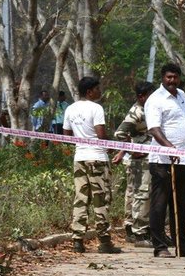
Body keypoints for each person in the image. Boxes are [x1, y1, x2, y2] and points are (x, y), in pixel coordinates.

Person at [145, 62, 185, 258]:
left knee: (181, 203)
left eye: (175, 77)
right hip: (162, 160)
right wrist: (169, 146)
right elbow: (153, 128)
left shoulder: (182, 96)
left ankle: (182, 245)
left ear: (179, 78)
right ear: (162, 78)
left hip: (184, 159)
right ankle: (160, 246)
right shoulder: (155, 100)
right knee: (160, 204)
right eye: (169, 77)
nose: (172, 81)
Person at [63, 76, 121, 255]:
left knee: (81, 198)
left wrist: (82, 145)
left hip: (79, 158)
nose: (100, 92)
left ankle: (77, 240)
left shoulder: (70, 109)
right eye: (97, 89)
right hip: (97, 158)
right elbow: (101, 135)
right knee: (100, 199)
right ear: (89, 91)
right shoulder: (96, 108)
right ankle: (104, 241)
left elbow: (65, 135)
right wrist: (111, 147)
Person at [113, 82, 156, 247]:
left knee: (132, 193)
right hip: (140, 161)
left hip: (140, 159)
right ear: (141, 96)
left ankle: (130, 227)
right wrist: (132, 150)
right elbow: (120, 133)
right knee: (141, 193)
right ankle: (140, 232)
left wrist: (124, 151)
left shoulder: (146, 110)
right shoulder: (137, 112)